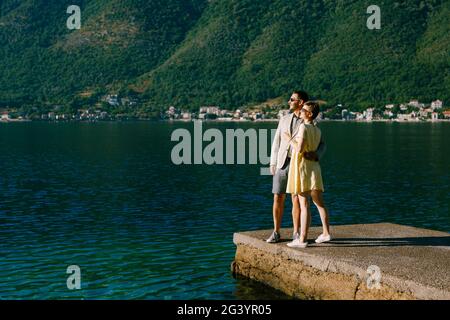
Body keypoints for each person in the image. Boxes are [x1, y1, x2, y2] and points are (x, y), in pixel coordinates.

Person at [266, 91, 326, 243]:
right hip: (281, 162)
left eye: (292, 99)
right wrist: (273, 162)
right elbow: (277, 141)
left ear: (300, 102)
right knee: (277, 196)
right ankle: (276, 232)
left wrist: (316, 155)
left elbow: (322, 144)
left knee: (296, 199)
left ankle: (296, 232)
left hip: (298, 163)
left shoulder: (309, 121)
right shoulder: (284, 119)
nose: (288, 101)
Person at [284, 101, 331, 248]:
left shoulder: (303, 126)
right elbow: (318, 146)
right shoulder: (317, 130)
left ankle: (302, 239)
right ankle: (326, 233)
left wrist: (289, 139)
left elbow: (299, 148)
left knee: (304, 204)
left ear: (309, 114)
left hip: (302, 166)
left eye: (303, 110)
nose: (301, 111)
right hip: (314, 167)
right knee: (319, 202)